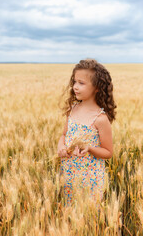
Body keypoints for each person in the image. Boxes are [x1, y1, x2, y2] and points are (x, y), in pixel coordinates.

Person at [57, 58, 117, 206]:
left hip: (90, 179)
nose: (75, 87)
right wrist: (61, 147)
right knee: (69, 214)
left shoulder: (100, 119)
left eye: (81, 83)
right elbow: (64, 135)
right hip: (69, 174)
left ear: (97, 87)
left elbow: (108, 152)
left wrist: (89, 148)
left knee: (89, 219)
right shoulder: (73, 109)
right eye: (75, 82)